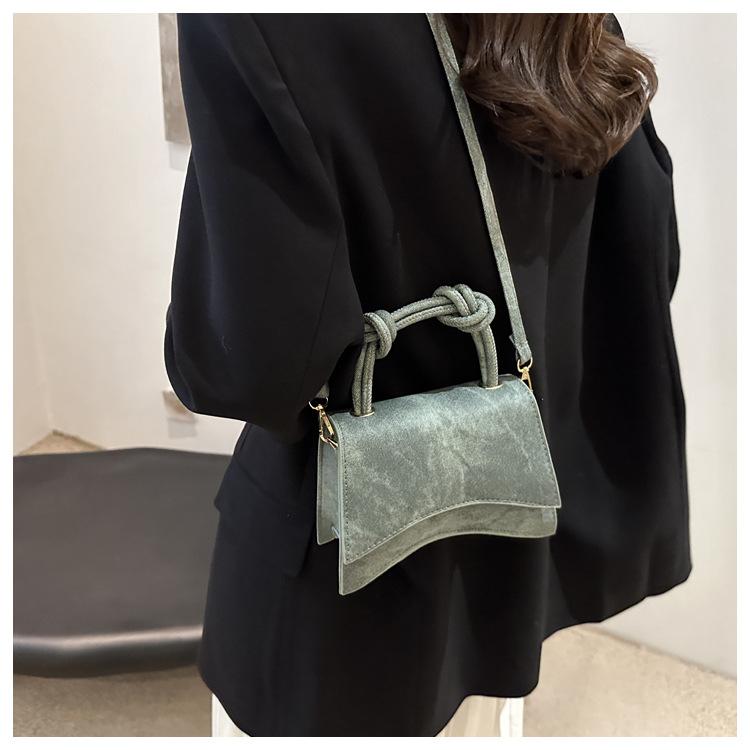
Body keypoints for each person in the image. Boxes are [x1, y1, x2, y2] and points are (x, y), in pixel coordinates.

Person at [164, 13, 690, 737]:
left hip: (343, 598)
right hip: (512, 557)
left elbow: (248, 365)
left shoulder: (262, 22)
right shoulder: (562, 19)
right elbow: (650, 255)